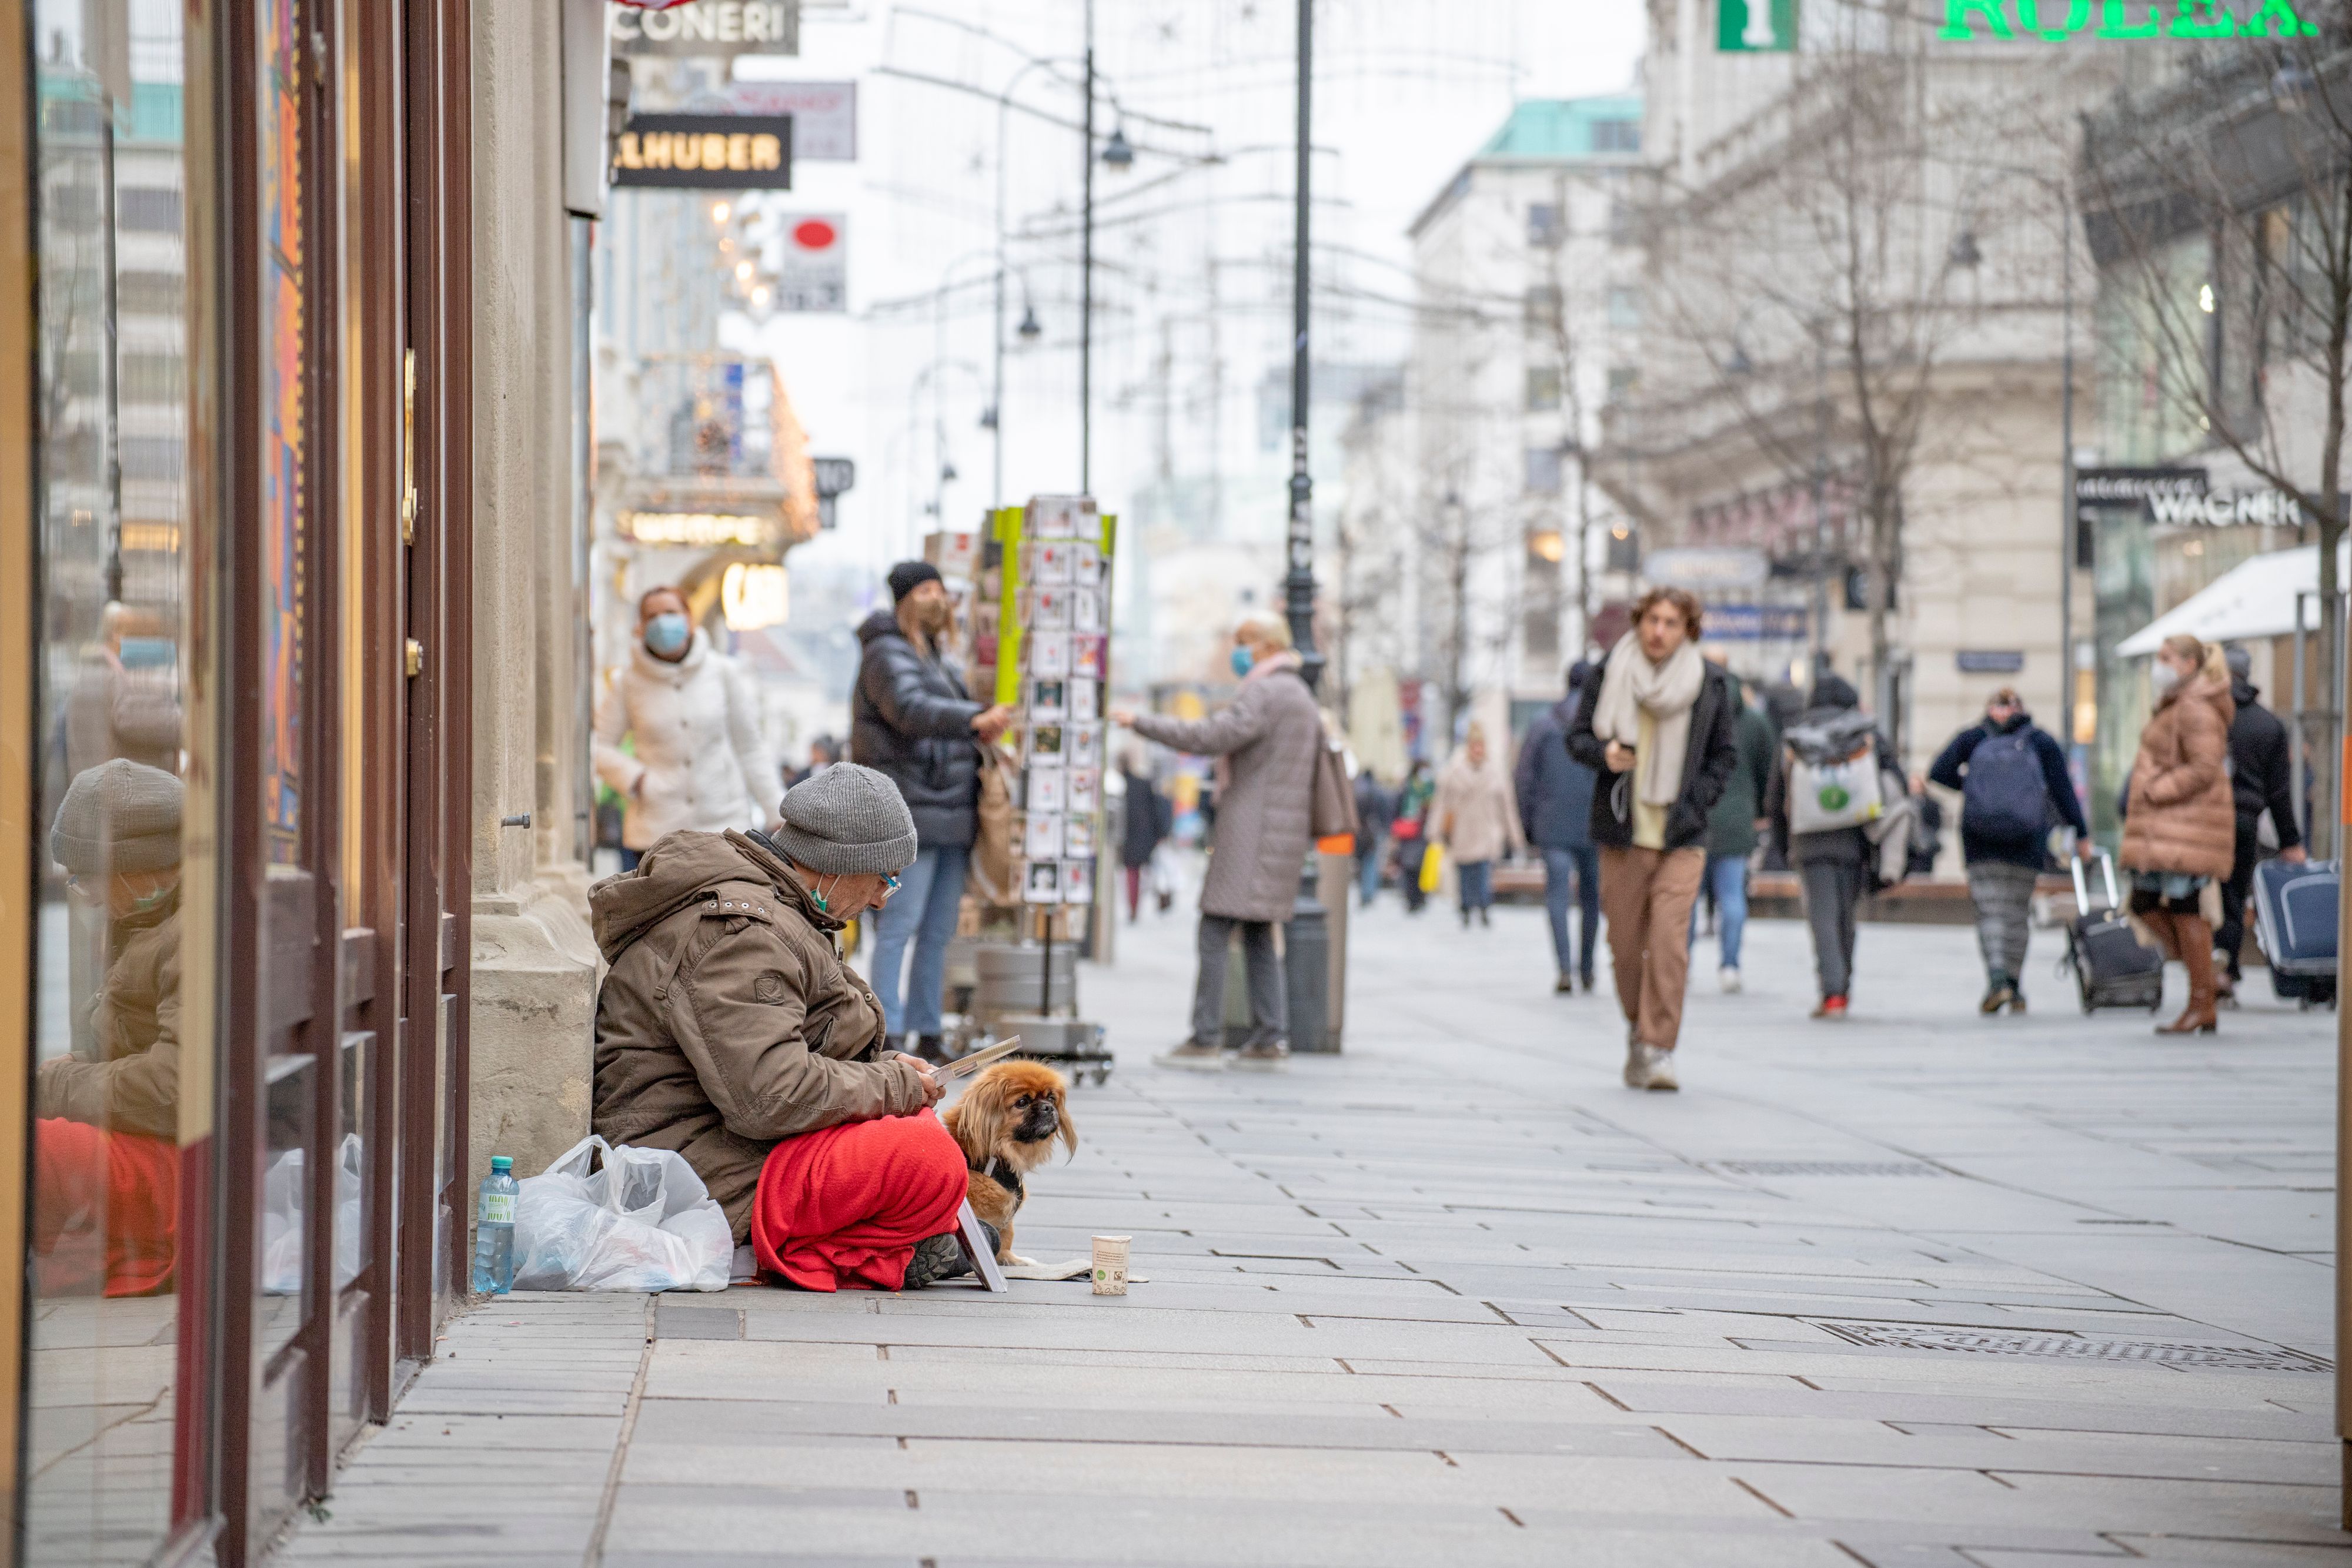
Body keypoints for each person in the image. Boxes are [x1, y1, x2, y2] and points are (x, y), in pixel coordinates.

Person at [590, 764, 981, 1292]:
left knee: (922, 1140)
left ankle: (881, 1245)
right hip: (688, 1168)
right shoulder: (740, 936)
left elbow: (785, 1054)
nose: (883, 898)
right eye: (884, 876)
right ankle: (850, 1253)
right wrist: (893, 1087)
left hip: (727, 1142)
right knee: (926, 1157)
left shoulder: (780, 912)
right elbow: (770, 1096)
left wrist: (889, 1071)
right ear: (838, 864)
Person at [1111, 613, 1322, 1070]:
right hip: (1282, 832)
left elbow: (1212, 736)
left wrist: (1142, 722)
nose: (1237, 651)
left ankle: (1206, 1036)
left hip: (1253, 828)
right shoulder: (1300, 693)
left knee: (1214, 927)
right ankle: (1270, 1037)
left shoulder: (1265, 690)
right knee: (1259, 931)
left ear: (1268, 645)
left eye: (1244, 641)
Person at [1566, 589, 1740, 1091]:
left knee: (1669, 943)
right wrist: (1606, 754)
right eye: (1652, 620)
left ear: (1689, 629)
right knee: (1624, 946)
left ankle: (1659, 1047)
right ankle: (1638, 1030)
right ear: (1640, 623)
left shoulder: (1709, 683)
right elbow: (1577, 737)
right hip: (1624, 832)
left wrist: (1698, 801)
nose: (1659, 631)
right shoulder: (1611, 670)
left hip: (1681, 833)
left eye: (1671, 622)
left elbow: (1724, 755)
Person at [850, 561, 1015, 1062]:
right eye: (926, 589)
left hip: (949, 811)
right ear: (904, 597)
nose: (937, 597)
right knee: (899, 925)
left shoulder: (937, 656)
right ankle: (888, 1031)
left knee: (939, 931)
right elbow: (910, 709)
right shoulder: (885, 653)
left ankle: (927, 1028)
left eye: (942, 589)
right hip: (910, 810)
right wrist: (974, 718)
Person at [35, 758, 186, 1297]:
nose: (87, 894)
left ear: (134, 867)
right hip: (163, 1148)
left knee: (23, 1147)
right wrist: (72, 1069)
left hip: (181, 1174)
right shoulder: (150, 920)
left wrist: (56, 1087)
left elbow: (174, 1086)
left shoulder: (188, 934)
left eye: (87, 876)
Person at [594, 586, 783, 874]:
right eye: (652, 616)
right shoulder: (627, 683)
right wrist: (638, 780)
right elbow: (599, 746)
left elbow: (750, 747)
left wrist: (775, 811)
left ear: (688, 619)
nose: (662, 622)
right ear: (640, 627)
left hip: (725, 826)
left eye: (670, 613)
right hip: (656, 831)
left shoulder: (723, 672)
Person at [1927, 687, 2092, 1014]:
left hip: (1980, 839)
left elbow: (1938, 772)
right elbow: (2063, 791)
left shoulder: (1974, 738)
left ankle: (1997, 980)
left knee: (1989, 911)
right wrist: (2082, 834)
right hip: (2026, 839)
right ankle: (2014, 986)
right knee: (2017, 913)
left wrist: (1973, 787)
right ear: (2021, 709)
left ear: (1990, 709)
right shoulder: (2040, 741)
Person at [2119, 633, 2237, 1035]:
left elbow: (2205, 766)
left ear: (2189, 664)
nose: (2160, 664)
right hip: (2170, 828)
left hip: (2187, 827)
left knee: (2184, 906)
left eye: (2166, 657)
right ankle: (2204, 980)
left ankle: (2202, 999)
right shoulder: (2178, 703)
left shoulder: (2195, 708)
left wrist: (2157, 789)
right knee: (2144, 901)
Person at [1765, 673, 1896, 1021]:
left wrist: (1781, 844)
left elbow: (1777, 796)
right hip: (1855, 840)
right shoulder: (1864, 733)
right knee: (1845, 917)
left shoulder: (1794, 738)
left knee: (1822, 917)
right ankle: (1843, 986)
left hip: (1808, 842)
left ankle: (1833, 992)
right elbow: (1891, 781)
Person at [2216, 645, 2306, 997]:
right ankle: (2228, 968)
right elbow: (2279, 794)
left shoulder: (2209, 717)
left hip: (2205, 821)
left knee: (2205, 895)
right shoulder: (2269, 724)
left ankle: (2212, 964)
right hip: (2244, 823)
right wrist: (2291, 841)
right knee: (2235, 895)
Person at [1689, 660, 1775, 994]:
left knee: (1687, 899)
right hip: (1739, 820)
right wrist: (1757, 810)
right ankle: (1730, 966)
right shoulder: (1754, 722)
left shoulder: (1695, 718)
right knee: (1733, 896)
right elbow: (1768, 770)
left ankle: (1682, 963)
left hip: (1696, 817)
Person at [1516, 661, 1601, 992]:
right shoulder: (1602, 726)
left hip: (1552, 825)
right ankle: (1588, 969)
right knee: (1592, 898)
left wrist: (1527, 827)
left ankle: (1564, 969)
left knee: (1557, 896)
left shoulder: (1542, 725)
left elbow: (1524, 778)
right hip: (1594, 825)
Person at [1432, 721, 1522, 929]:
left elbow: (1507, 807)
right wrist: (1436, 831)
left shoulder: (1496, 773)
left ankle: (1483, 907)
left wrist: (1514, 836)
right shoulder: (1454, 772)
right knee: (1464, 872)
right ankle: (1465, 907)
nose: (1478, 750)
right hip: (1462, 832)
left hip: (1487, 831)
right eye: (1474, 746)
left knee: (1483, 872)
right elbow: (1442, 804)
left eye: (1481, 746)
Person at [1118, 750, 1172, 921]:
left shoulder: (1124, 785)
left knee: (1135, 873)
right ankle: (1146, 901)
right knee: (1147, 871)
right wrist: (1161, 832)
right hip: (1145, 835)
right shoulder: (1141, 783)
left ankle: (1134, 907)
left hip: (1134, 836)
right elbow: (1158, 809)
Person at [1391, 760, 1436, 914]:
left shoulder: (1431, 789)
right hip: (1408, 832)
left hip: (1424, 832)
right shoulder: (1407, 788)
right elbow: (1397, 809)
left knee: (1422, 867)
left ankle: (1421, 898)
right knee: (1409, 867)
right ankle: (1411, 898)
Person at [1352, 764, 1397, 907]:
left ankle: (1365, 892)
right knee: (1372, 862)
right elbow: (1387, 813)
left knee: (1362, 862)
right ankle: (1370, 893)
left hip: (1360, 831)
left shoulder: (1358, 791)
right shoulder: (1380, 792)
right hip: (1376, 831)